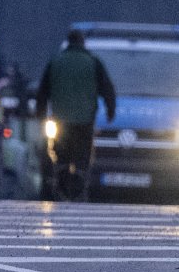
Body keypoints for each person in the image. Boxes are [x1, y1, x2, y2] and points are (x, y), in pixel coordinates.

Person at [35, 29, 119, 202]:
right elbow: (107, 89)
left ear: (68, 42)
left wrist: (41, 114)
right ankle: (79, 191)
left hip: (61, 119)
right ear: (82, 42)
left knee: (62, 155)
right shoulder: (93, 62)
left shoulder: (56, 61)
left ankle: (63, 189)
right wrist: (111, 110)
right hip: (85, 121)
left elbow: (43, 91)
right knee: (82, 156)